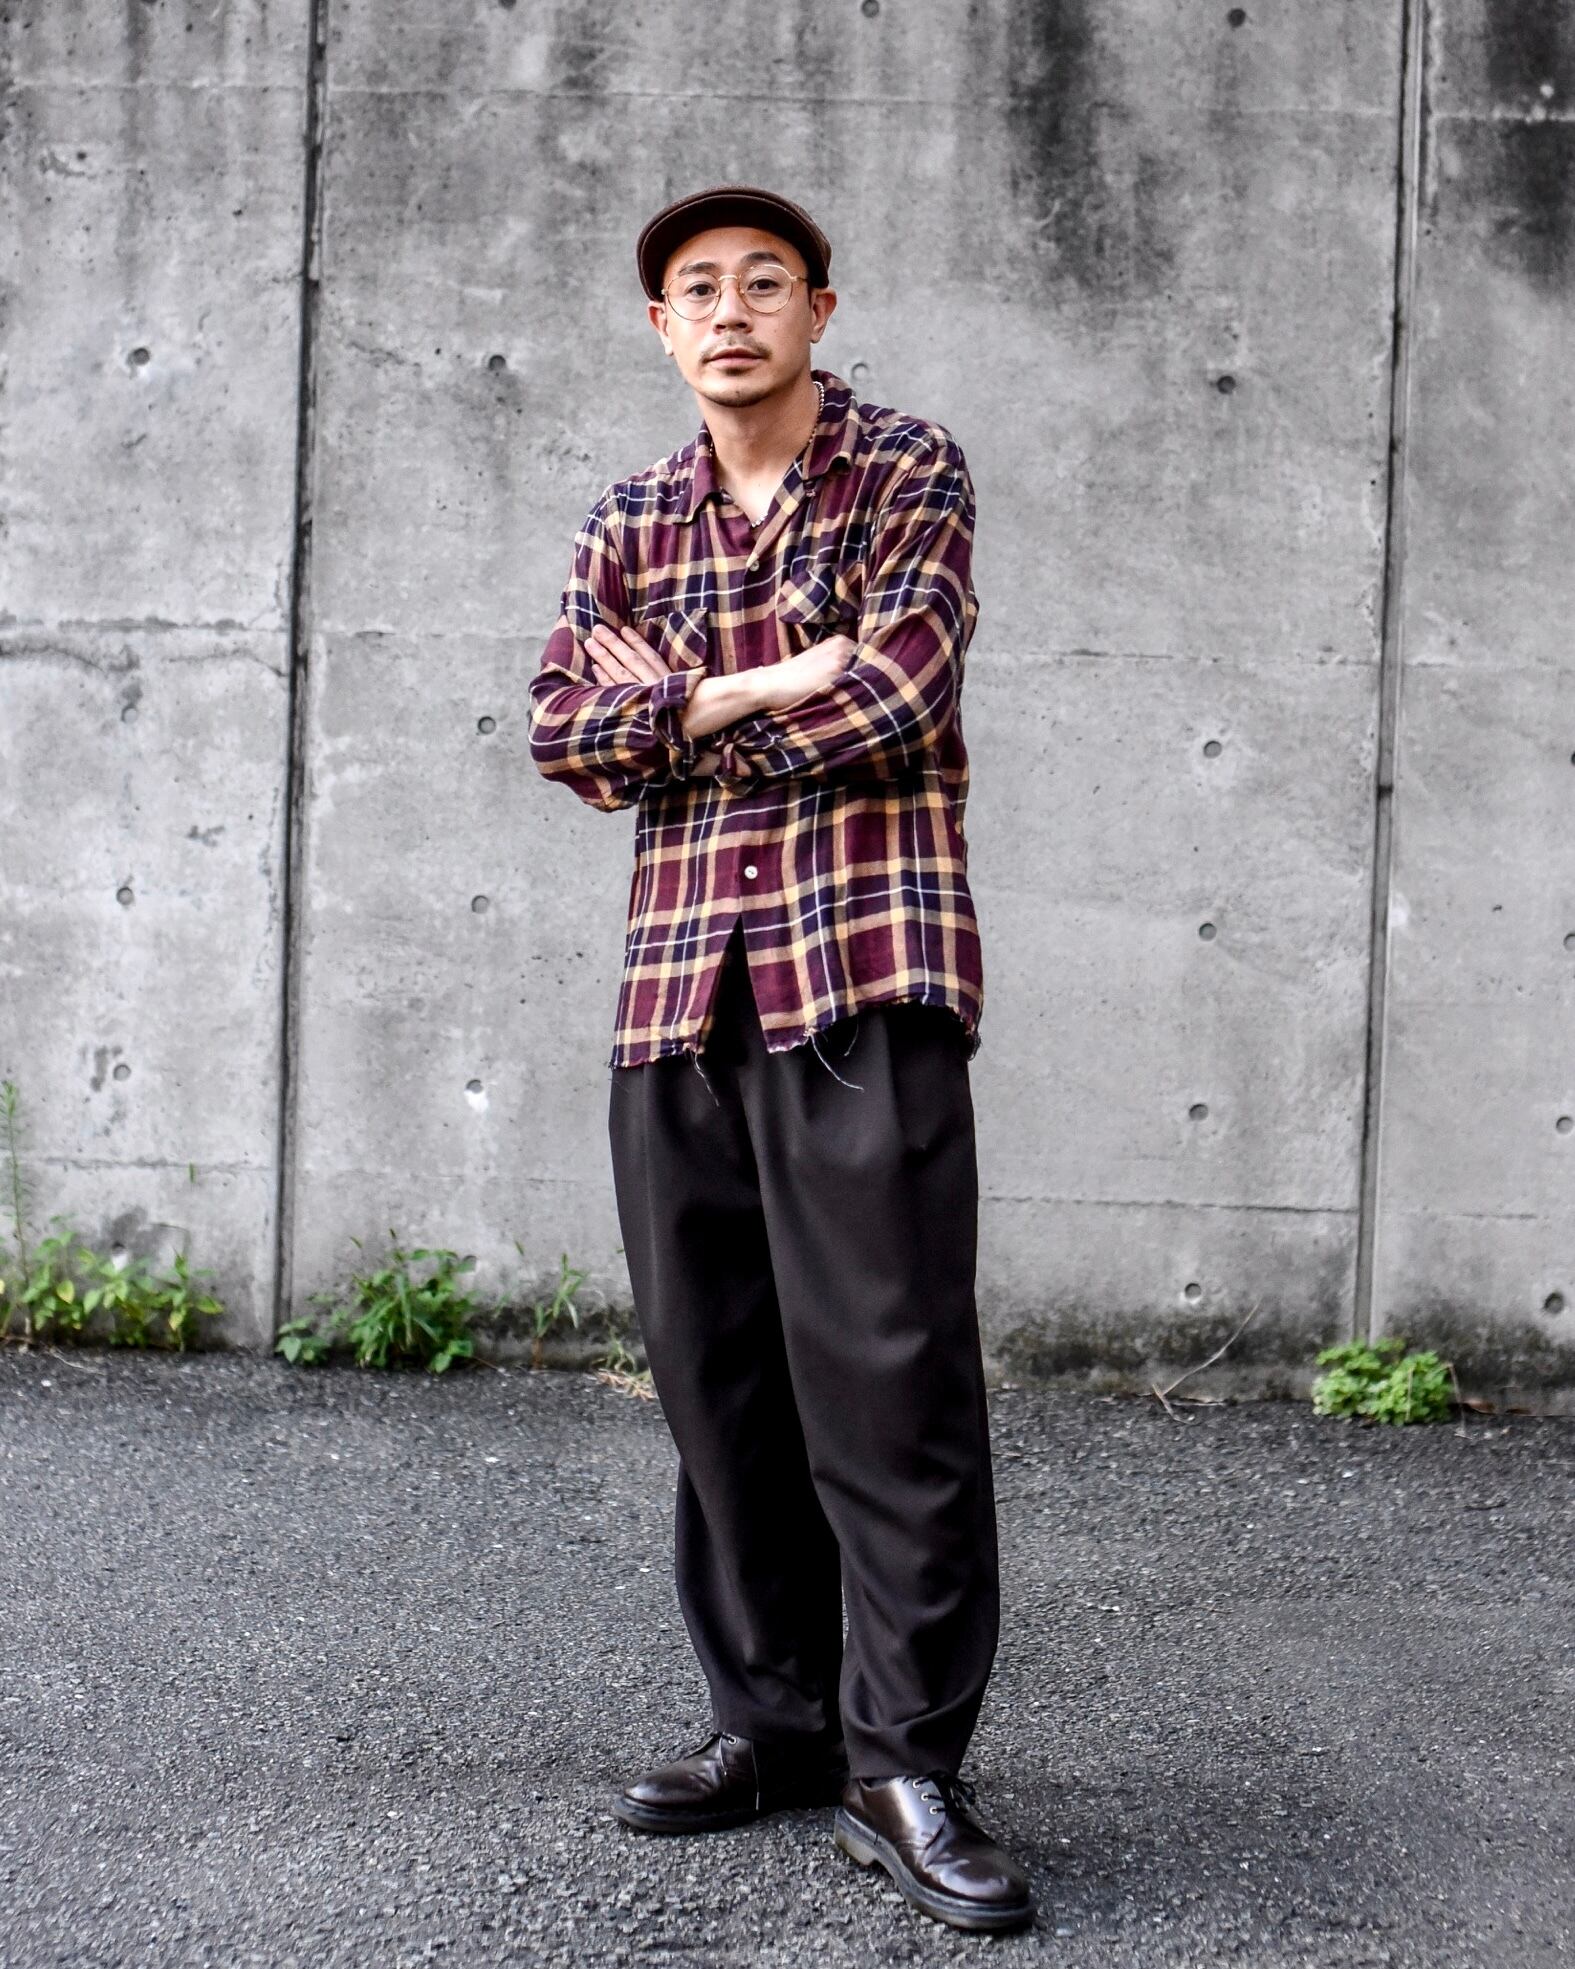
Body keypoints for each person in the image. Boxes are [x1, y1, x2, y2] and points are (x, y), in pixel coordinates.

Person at [527, 184, 1034, 1935]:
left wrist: (671, 707)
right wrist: (753, 687)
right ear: (660, 326)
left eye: (764, 282)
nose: (730, 309)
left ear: (821, 306)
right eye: (697, 288)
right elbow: (561, 734)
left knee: (891, 1382)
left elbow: (899, 696)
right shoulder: (631, 515)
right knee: (716, 1378)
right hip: (678, 999)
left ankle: (905, 1762)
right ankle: (777, 1721)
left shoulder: (905, 471)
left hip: (861, 984)